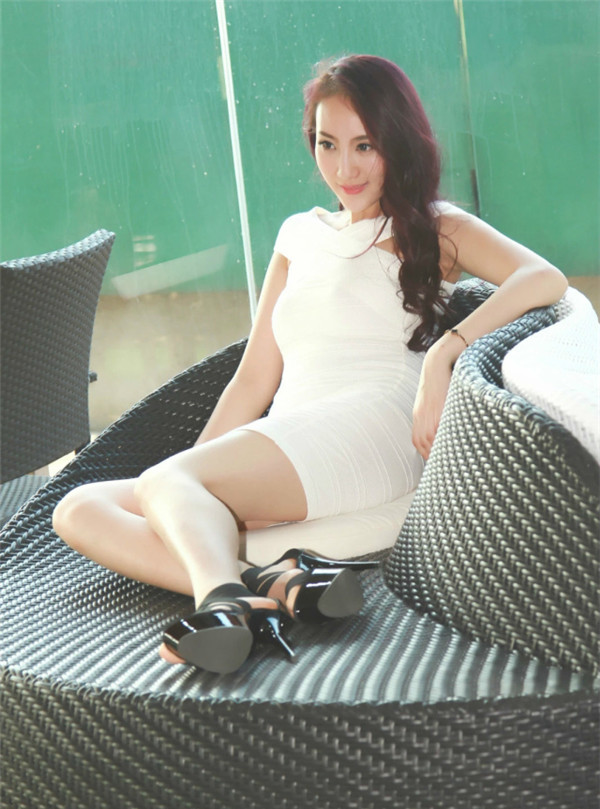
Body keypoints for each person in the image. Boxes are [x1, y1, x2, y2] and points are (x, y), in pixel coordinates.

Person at [53, 54, 567, 674]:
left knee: (168, 483)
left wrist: (445, 353)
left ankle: (224, 601)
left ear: (397, 141)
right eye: (328, 144)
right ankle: (273, 583)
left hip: (374, 425)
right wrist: (193, 485)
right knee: (79, 508)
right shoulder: (298, 235)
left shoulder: (434, 226)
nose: (344, 168)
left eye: (364, 146)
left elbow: (544, 278)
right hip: (293, 442)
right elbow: (253, 378)